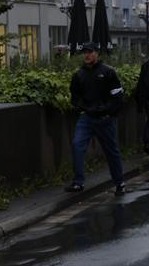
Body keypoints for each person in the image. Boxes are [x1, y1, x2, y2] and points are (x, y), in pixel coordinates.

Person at [65, 42, 126, 196]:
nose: (87, 55)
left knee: (111, 151)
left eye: (90, 52)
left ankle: (119, 183)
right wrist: (81, 108)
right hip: (86, 118)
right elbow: (75, 97)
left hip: (105, 119)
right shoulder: (78, 75)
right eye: (85, 52)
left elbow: (118, 97)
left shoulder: (108, 72)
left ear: (97, 53)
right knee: (77, 145)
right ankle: (78, 183)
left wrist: (108, 112)